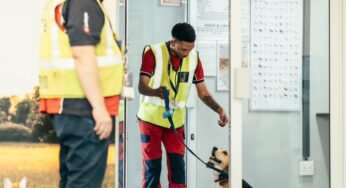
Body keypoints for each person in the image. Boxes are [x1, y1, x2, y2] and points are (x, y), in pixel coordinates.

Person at [38, 0, 124, 187]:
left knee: (72, 180)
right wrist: (99, 108)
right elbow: (82, 54)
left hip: (70, 106)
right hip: (83, 108)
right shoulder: (83, 2)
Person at [137, 22, 229, 188]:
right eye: (183, 49)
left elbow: (203, 93)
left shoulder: (193, 58)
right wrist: (155, 91)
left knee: (178, 168)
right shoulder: (154, 52)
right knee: (153, 168)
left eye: (190, 49)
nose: (187, 53)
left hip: (175, 123)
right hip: (150, 121)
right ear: (173, 42)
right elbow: (142, 86)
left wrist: (219, 109)